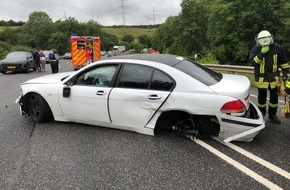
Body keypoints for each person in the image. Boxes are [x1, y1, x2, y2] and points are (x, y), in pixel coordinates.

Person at [249, 30, 289, 124]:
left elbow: (283, 60)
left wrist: (285, 72)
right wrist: (262, 53)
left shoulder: (277, 47)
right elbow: (253, 62)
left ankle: (272, 115)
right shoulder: (256, 49)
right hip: (262, 79)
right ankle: (261, 115)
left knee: (274, 99)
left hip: (274, 78)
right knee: (261, 99)